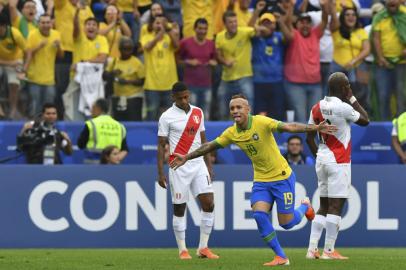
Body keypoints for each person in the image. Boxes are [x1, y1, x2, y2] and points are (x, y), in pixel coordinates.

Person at [170, 93, 338, 266]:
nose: (235, 111)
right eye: (232, 108)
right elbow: (209, 145)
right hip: (261, 181)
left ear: (248, 109)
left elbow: (289, 127)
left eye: (239, 107)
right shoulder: (232, 132)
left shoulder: (261, 122)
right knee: (259, 215)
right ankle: (281, 256)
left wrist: (315, 128)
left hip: (282, 177)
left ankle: (305, 207)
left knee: (286, 224)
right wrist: (187, 157)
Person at [306, 72, 369, 260]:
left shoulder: (316, 107)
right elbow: (366, 120)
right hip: (339, 161)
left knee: (323, 205)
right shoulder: (343, 107)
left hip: (322, 159)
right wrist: (351, 97)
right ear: (343, 87)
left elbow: (309, 136)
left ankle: (311, 250)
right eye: (347, 86)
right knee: (336, 205)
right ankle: (329, 251)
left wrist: (319, 155)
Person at [157, 82, 218, 260]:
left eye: (186, 97)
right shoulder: (166, 117)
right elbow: (161, 146)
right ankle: (183, 249)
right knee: (179, 208)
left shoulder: (198, 112)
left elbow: (204, 141)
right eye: (180, 98)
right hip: (178, 165)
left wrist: (209, 166)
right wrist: (160, 173)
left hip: (198, 163)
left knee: (209, 203)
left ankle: (203, 248)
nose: (184, 101)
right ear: (173, 97)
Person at [279, 0, 328, 123]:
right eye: (302, 22)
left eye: (308, 23)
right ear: (297, 25)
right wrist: (290, 6)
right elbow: (287, 22)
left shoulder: (315, 34)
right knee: (301, 118)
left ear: (311, 26)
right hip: (295, 85)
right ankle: (300, 142)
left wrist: (324, 7)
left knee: (315, 119)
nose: (305, 25)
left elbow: (325, 21)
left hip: (315, 84)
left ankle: (312, 143)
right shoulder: (294, 35)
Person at [329, 6, 370, 111]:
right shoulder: (336, 30)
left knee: (359, 96)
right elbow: (333, 17)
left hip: (357, 68)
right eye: (347, 15)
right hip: (337, 69)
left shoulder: (361, 31)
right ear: (342, 17)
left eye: (353, 15)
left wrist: (354, 61)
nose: (351, 17)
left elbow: (367, 49)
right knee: (337, 98)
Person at [372, 0, 406, 120]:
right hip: (383, 64)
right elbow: (376, 39)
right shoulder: (379, 17)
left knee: (401, 97)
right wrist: (381, 58)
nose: (392, 1)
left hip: (402, 63)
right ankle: (384, 125)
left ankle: (401, 127)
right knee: (383, 96)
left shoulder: (405, 14)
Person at [24, 14, 64, 117]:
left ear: (51, 24)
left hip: (49, 80)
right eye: (43, 23)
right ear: (38, 24)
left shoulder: (56, 34)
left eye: (48, 22)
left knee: (49, 108)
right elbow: (27, 53)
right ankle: (33, 129)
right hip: (34, 78)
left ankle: (47, 129)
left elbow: (61, 56)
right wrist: (39, 46)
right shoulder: (32, 34)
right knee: (34, 107)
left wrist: (59, 46)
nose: (46, 25)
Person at [141, 14, 179, 120]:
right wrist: (160, 34)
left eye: (162, 23)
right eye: (157, 23)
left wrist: (169, 29)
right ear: (152, 25)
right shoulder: (146, 36)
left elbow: (176, 45)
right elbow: (148, 47)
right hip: (152, 86)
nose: (160, 25)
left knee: (169, 118)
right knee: (151, 117)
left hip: (169, 85)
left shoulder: (169, 37)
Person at [178, 18, 217, 119]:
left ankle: (205, 134)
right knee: (191, 114)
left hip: (207, 85)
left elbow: (215, 60)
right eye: (200, 28)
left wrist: (213, 63)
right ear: (195, 29)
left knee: (206, 113)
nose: (202, 31)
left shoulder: (211, 44)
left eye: (205, 29)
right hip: (190, 86)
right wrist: (188, 62)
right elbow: (177, 60)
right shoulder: (185, 42)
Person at [104, 37, 145, 121]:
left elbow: (142, 81)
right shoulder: (115, 61)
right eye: (125, 49)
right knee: (118, 121)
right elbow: (104, 75)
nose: (128, 51)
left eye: (130, 49)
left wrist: (127, 81)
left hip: (133, 98)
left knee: (134, 122)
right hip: (117, 98)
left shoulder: (137, 62)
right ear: (120, 49)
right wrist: (113, 73)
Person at [77, 98, 128, 164]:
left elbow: (80, 144)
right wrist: (116, 158)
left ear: (98, 109)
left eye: (92, 108)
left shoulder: (92, 124)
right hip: (113, 167)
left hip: (93, 165)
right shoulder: (119, 126)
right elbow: (125, 149)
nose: (91, 111)